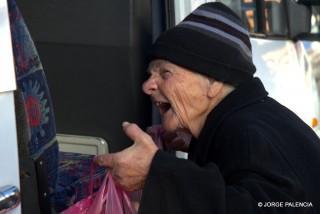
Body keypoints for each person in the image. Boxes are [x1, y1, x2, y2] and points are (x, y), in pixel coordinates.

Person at [95, 2, 320, 213]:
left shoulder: (247, 134)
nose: (147, 86)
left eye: (165, 73)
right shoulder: (250, 121)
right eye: (150, 75)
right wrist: (200, 143)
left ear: (213, 82)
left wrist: (156, 174)